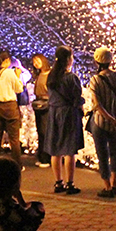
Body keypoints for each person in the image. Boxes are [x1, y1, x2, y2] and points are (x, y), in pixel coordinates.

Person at [87, 47, 116, 198]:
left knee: (102, 154)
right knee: (115, 152)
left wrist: (109, 118)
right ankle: (115, 183)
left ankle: (107, 186)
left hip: (100, 122)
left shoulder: (95, 80)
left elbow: (97, 105)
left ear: (96, 61)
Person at [45, 46, 84, 195]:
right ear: (68, 59)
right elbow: (76, 98)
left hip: (54, 113)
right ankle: (70, 183)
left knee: (55, 150)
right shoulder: (71, 77)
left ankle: (58, 182)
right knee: (69, 150)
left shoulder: (51, 76)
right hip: (68, 114)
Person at [0, 50, 24, 168]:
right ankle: (17, 165)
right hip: (9, 107)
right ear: (7, 60)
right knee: (14, 138)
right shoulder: (9, 73)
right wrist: (17, 76)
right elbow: (19, 89)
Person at [30, 54, 52, 168]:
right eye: (34, 61)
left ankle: (46, 158)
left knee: (45, 131)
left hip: (46, 105)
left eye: (37, 61)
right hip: (39, 104)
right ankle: (42, 156)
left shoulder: (50, 74)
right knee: (40, 131)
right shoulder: (38, 75)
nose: (35, 63)